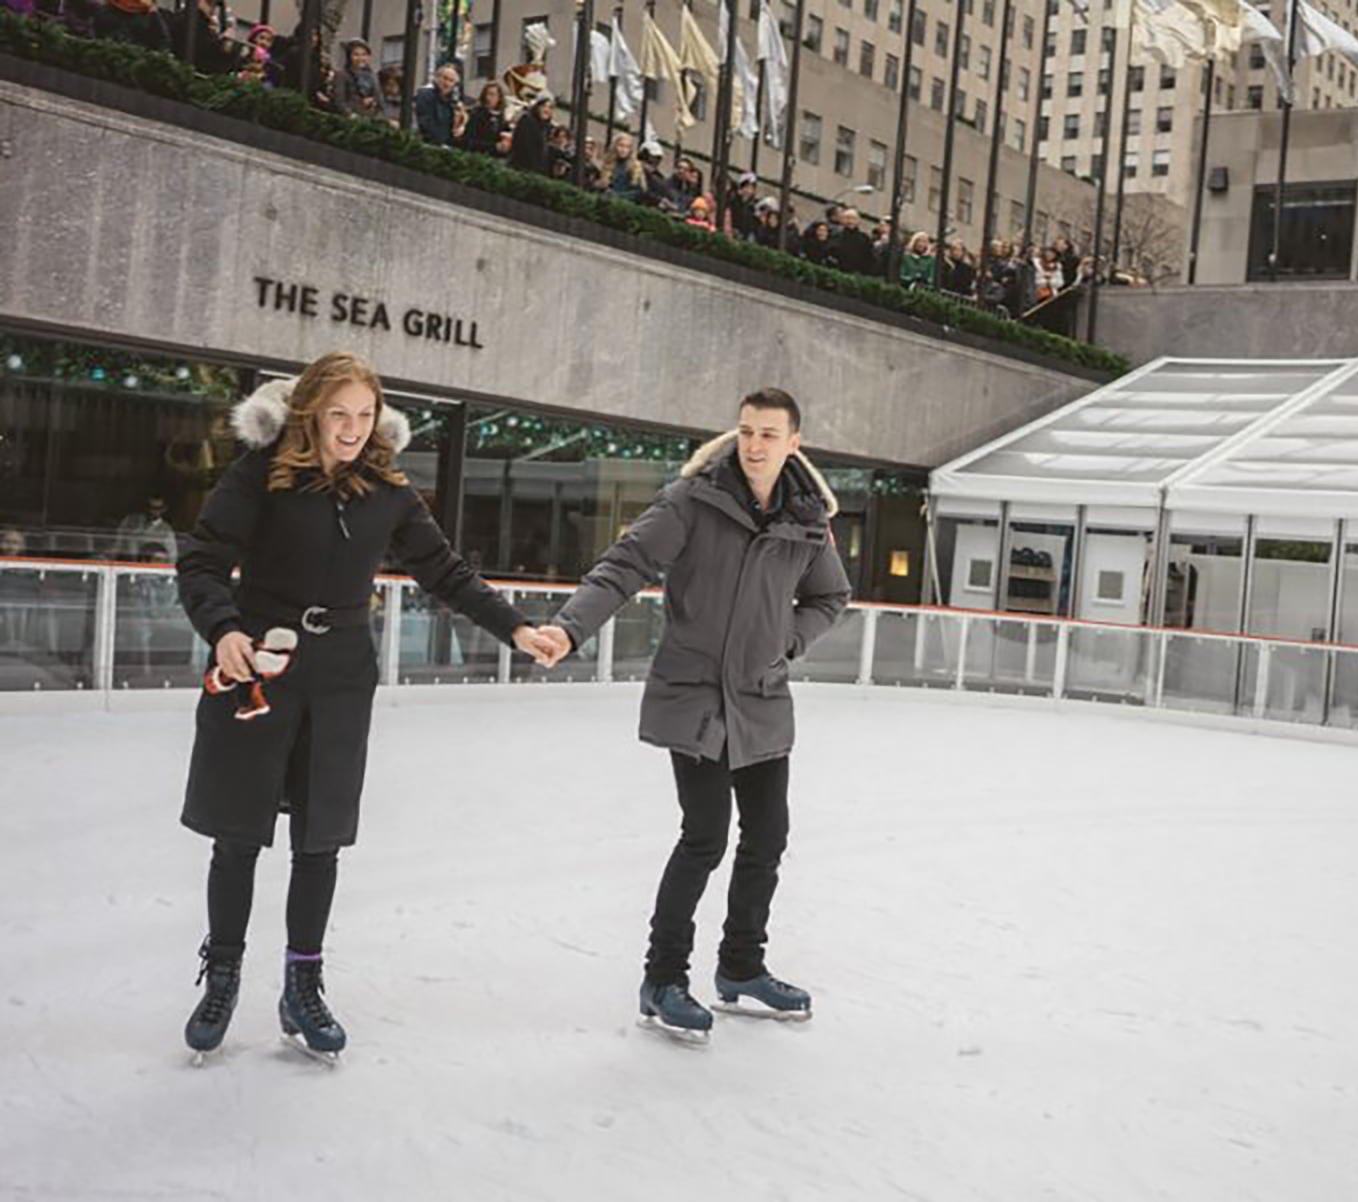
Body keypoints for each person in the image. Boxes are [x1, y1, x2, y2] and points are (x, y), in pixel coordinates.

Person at [174, 353, 557, 1062]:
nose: (352, 429)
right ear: (312, 413)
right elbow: (201, 559)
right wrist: (224, 628)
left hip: (343, 671)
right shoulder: (261, 474)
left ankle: (302, 984)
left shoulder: (387, 490)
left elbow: (445, 571)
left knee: (320, 836)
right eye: (339, 414)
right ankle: (222, 973)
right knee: (239, 829)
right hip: (262, 660)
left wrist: (516, 627)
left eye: (364, 415)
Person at [539, 389, 851, 1040]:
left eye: (769, 434)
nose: (755, 444)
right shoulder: (694, 501)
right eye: (746, 431)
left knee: (767, 837)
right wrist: (571, 629)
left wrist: (787, 641)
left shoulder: (806, 518)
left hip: (761, 696)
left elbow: (830, 594)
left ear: (794, 442)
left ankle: (741, 968)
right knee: (706, 835)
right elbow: (624, 565)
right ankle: (663, 979)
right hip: (696, 695)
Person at [413, 64, 466, 148]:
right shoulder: (425, 94)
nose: (447, 83)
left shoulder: (452, 102)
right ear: (437, 78)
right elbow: (424, 121)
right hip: (427, 143)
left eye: (451, 81)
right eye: (445, 78)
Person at [330, 39, 382, 120]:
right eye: (356, 55)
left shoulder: (373, 76)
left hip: (371, 118)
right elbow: (339, 100)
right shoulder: (342, 75)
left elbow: (379, 98)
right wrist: (351, 114)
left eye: (364, 55)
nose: (360, 58)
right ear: (349, 57)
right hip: (350, 119)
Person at [507, 92, 554, 176]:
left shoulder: (546, 128)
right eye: (544, 106)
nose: (547, 110)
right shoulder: (527, 121)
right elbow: (524, 147)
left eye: (550, 107)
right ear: (537, 107)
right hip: (522, 171)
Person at [460, 81, 509, 156]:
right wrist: (493, 146)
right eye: (487, 94)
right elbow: (468, 141)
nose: (488, 97)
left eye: (492, 95)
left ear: (499, 98)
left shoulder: (501, 117)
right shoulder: (477, 114)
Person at [828, 208, 879, 276]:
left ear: (858, 221)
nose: (850, 221)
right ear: (842, 220)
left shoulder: (864, 238)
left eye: (853, 218)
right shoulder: (835, 235)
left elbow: (869, 259)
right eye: (847, 218)